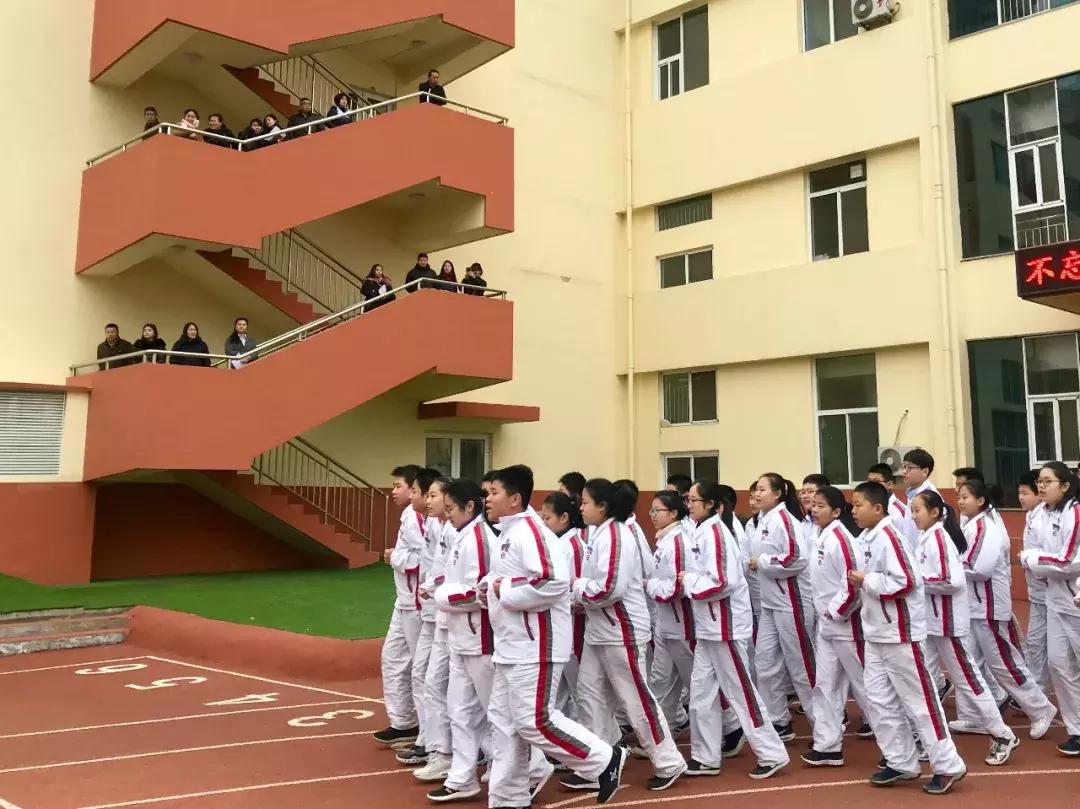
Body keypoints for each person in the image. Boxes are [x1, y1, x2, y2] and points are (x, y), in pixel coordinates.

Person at [481, 465, 625, 807]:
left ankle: (603, 760)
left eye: (494, 493)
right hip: (511, 644)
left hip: (536, 645)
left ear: (515, 499)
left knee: (534, 721)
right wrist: (487, 588)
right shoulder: (509, 532)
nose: (487, 499)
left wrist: (505, 591)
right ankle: (508, 799)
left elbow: (553, 581)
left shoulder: (530, 532)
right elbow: (505, 580)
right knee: (504, 724)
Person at [848, 481, 968, 795]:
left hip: (900, 634)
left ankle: (947, 764)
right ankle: (901, 760)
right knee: (877, 700)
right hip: (877, 633)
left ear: (877, 508)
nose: (854, 510)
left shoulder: (890, 536)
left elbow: (907, 581)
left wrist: (868, 580)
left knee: (920, 702)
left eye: (858, 504)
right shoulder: (867, 538)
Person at [568, 478, 685, 792]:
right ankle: (599, 763)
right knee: (589, 695)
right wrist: (580, 594)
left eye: (585, 502)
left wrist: (577, 587)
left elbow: (609, 589)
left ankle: (669, 760)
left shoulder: (617, 535)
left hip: (621, 630)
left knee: (635, 699)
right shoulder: (600, 534)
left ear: (602, 507)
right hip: (599, 629)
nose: (581, 508)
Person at [681, 479, 790, 779]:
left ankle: (771, 752)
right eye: (687, 499)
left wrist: (687, 580)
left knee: (741, 692)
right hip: (709, 627)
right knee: (701, 692)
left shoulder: (716, 534)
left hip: (725, 626)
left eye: (693, 500)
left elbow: (721, 582)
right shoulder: (701, 531)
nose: (688, 504)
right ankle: (705, 756)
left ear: (712, 506)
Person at [910, 489, 1019, 765]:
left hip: (946, 624)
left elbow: (952, 581)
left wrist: (916, 581)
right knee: (923, 678)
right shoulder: (926, 538)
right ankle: (928, 738)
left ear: (934, 513)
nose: (913, 516)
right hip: (931, 624)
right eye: (912, 510)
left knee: (968, 680)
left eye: (917, 510)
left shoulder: (940, 539)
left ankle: (1002, 733)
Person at [957, 479, 1057, 736]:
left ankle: (1040, 708)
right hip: (973, 607)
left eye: (965, 496)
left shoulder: (986, 527)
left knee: (1004, 664)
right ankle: (976, 715)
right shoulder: (971, 525)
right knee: (970, 663)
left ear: (980, 501)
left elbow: (980, 568)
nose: (960, 501)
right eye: (959, 496)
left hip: (989, 607)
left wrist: (950, 569)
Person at [427, 479, 496, 802]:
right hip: (460, 635)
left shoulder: (480, 539)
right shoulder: (461, 535)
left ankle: (526, 767)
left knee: (494, 710)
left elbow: (479, 592)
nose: (447, 514)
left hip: (480, 637)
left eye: (451, 508)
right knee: (459, 709)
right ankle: (462, 776)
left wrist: (442, 596)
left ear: (470, 507)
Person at [802, 486, 877, 767]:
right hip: (827, 626)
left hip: (847, 626)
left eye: (821, 506)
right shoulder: (819, 536)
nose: (814, 509)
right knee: (825, 684)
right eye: (814, 505)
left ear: (836, 511)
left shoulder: (841, 539)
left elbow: (852, 586)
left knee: (866, 685)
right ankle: (827, 745)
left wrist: (835, 613)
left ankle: (903, 743)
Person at [747, 473, 815, 742]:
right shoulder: (761, 520)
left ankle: (823, 724)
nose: (756, 494)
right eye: (755, 490)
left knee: (800, 666)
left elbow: (797, 558)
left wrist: (761, 562)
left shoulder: (785, 519)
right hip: (770, 604)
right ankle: (778, 721)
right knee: (764, 662)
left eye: (762, 489)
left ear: (777, 494)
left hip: (792, 602)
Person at [1020, 461, 1080, 757]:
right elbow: (1027, 552)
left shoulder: (1075, 512)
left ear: (1065, 485)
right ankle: (1077, 730)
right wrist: (1038, 560)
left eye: (1048, 481)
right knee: (1059, 664)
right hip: (1054, 600)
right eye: (1039, 481)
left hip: (1077, 601)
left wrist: (1035, 560)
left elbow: (1069, 561)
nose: (1041, 486)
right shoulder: (1038, 515)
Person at [374, 465, 426, 748]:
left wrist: (395, 557)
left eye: (399, 486)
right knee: (392, 659)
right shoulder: (409, 515)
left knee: (420, 669)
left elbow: (423, 559)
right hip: (403, 600)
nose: (394, 492)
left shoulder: (418, 517)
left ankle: (426, 732)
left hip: (417, 604)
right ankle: (403, 722)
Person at [397, 468, 441, 768]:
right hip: (430, 610)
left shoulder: (453, 530)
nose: (413, 496)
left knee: (440, 683)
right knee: (424, 676)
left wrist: (435, 591)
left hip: (444, 615)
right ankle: (430, 742)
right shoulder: (436, 526)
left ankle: (440, 747)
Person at [414, 477, 456, 783]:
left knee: (455, 693)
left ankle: (448, 754)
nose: (428, 501)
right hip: (442, 616)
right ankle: (438, 751)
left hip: (458, 622)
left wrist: (433, 588)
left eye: (433, 495)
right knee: (432, 683)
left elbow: (456, 578)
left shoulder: (459, 532)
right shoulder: (441, 527)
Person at [645, 490, 696, 734]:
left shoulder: (678, 542)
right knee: (660, 681)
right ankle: (664, 732)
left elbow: (677, 586)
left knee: (694, 681)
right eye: (651, 510)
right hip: (665, 624)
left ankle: (729, 728)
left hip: (682, 623)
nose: (653, 515)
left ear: (673, 513)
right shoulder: (665, 540)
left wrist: (649, 586)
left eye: (658, 510)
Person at [540, 492, 588, 722]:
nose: (544, 524)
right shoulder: (558, 543)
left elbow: (575, 586)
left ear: (564, 518)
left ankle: (594, 740)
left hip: (572, 624)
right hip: (558, 623)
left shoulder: (573, 546)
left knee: (580, 688)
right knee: (558, 690)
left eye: (547, 518)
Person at [1017, 469, 1050, 690]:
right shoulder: (1032, 515)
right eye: (1019, 492)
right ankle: (1035, 690)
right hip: (1037, 592)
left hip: (1052, 591)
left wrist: (1027, 559)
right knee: (1036, 642)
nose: (1021, 497)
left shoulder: (1046, 517)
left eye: (1025, 493)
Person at [868, 463, 911, 542]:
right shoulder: (868, 506)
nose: (871, 485)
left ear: (889, 484)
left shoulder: (899, 512)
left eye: (876, 481)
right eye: (869, 481)